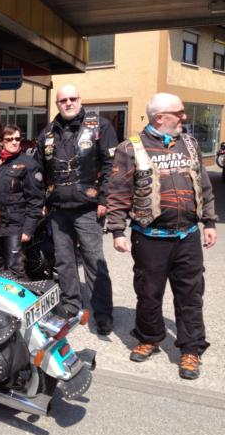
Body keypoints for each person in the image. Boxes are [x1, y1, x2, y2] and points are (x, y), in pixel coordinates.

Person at [106, 92, 218, 380]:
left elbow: (204, 185)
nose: (184, 117)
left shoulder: (189, 144)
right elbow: (118, 191)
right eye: (178, 113)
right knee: (148, 293)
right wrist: (117, 230)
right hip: (149, 238)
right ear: (159, 117)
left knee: (191, 295)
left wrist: (209, 222)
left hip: (187, 236)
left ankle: (191, 349)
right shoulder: (130, 148)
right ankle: (149, 337)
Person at [35, 84, 116, 336]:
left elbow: (111, 166)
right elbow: (39, 169)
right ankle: (71, 305)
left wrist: (104, 199)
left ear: (80, 100)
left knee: (94, 260)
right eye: (63, 100)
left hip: (87, 208)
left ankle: (102, 314)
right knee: (64, 261)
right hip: (58, 209)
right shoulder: (47, 132)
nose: (68, 103)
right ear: (57, 104)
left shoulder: (100, 126)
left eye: (72, 98)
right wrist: (42, 202)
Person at [0, 125, 44, 277]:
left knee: (15, 267)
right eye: (9, 139)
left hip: (15, 225)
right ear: (1, 141)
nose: (14, 142)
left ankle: (21, 292)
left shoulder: (28, 164)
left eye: (17, 139)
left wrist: (28, 229)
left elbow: (36, 200)